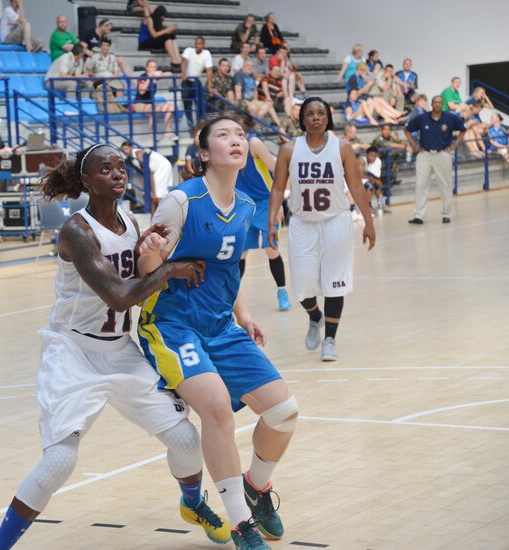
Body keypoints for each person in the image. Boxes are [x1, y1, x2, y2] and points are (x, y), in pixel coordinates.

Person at [0, 144, 230, 549]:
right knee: (60, 461)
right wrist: (170, 270)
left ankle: (192, 504)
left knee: (186, 440)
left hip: (119, 349)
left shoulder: (130, 222)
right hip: (73, 353)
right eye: (106, 169)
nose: (118, 174)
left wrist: (151, 250)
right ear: (86, 181)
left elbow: (137, 274)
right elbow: (119, 296)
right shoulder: (76, 232)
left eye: (120, 167)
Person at [138, 113, 297, 550]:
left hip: (221, 324)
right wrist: (152, 255)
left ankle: (257, 487)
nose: (236, 141)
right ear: (204, 153)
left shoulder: (245, 206)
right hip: (172, 325)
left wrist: (243, 313)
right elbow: (145, 272)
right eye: (223, 135)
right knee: (217, 410)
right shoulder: (181, 201)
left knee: (284, 412)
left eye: (241, 135)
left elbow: (228, 268)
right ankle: (241, 523)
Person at [268, 97, 376, 361]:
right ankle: (315, 316)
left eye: (320, 113)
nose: (315, 117)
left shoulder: (343, 148)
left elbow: (356, 187)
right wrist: (271, 222)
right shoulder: (289, 150)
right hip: (302, 224)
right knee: (303, 288)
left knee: (334, 284)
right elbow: (279, 188)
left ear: (328, 118)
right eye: (310, 113)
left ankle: (330, 338)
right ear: (302, 119)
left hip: (336, 222)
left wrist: (369, 222)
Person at [234, 114, 291, 312]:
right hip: (242, 204)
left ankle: (282, 291)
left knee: (271, 248)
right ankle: (232, 298)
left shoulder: (254, 143)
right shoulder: (229, 147)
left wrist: (279, 202)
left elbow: (277, 170)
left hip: (265, 202)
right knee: (240, 254)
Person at [404, 95, 466, 224]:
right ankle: (419, 216)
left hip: (442, 154)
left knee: (446, 185)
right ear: (431, 104)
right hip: (424, 154)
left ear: (442, 104)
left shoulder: (450, 118)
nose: (437, 104)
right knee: (421, 185)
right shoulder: (422, 118)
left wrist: (454, 145)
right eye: (435, 102)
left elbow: (462, 130)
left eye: (439, 102)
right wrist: (415, 145)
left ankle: (446, 214)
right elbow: (407, 129)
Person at [120, 141, 173, 213]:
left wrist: (153, 192)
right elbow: (142, 175)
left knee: (157, 195)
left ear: (131, 148)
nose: (125, 151)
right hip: (155, 171)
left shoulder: (137, 153)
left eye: (126, 148)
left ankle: (163, 215)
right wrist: (145, 190)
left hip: (162, 167)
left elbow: (148, 172)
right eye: (123, 149)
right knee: (152, 196)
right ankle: (154, 217)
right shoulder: (130, 159)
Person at [133, 59, 177, 142]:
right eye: (151, 67)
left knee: (171, 107)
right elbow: (142, 91)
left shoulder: (155, 77)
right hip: (139, 103)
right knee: (154, 109)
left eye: (155, 67)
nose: (153, 69)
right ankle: (151, 135)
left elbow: (170, 74)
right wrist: (150, 78)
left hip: (150, 103)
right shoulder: (143, 76)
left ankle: (168, 133)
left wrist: (162, 74)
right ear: (146, 68)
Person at [180, 36, 213, 127]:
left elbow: (209, 70)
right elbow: (183, 61)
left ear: (203, 45)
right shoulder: (189, 50)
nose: (197, 45)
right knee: (187, 105)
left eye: (199, 43)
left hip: (196, 81)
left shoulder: (206, 53)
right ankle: (191, 126)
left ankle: (200, 126)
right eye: (196, 43)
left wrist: (209, 85)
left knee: (199, 104)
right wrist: (183, 73)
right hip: (186, 81)